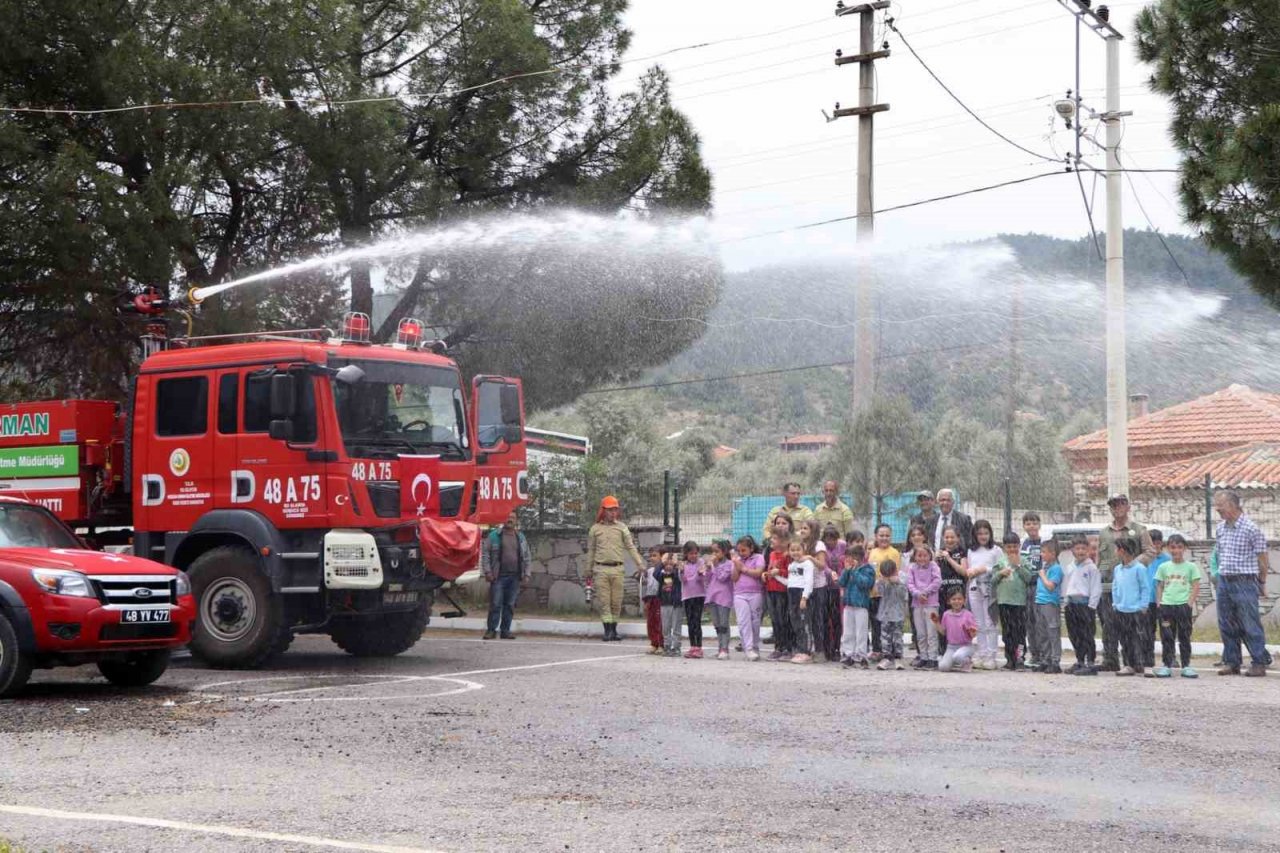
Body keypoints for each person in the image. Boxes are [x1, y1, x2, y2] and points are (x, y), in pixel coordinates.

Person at [1095, 494, 1157, 671]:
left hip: (1131, 587)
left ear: (1128, 507)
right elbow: (1101, 556)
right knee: (1108, 625)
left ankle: (1135, 660)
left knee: (1132, 627)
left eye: (1120, 504)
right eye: (1113, 505)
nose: (1117, 508)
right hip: (1108, 585)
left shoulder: (1138, 530)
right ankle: (1110, 659)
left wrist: (1132, 564)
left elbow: (1150, 552)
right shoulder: (1104, 532)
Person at [1212, 490, 1270, 677]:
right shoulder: (1220, 528)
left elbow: (1263, 558)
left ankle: (1259, 662)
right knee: (1226, 623)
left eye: (1221, 505)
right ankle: (1232, 661)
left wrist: (1261, 581)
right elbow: (1220, 553)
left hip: (1244, 581)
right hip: (1225, 581)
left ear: (1233, 505)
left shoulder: (1251, 528)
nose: (1217, 509)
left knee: (1249, 623)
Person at [584, 496, 647, 642]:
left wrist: (640, 564)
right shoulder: (595, 529)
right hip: (600, 569)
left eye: (615, 510)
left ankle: (614, 630)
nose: (613, 513)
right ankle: (607, 631)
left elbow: (630, 547)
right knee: (604, 601)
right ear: (603, 511)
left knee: (616, 602)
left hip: (617, 569)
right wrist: (588, 569)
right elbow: (591, 550)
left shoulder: (622, 528)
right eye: (610, 510)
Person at [1154, 533, 1201, 678]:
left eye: (1179, 547)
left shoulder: (1191, 567)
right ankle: (1167, 665)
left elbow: (1195, 585)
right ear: (1168, 548)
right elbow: (1160, 586)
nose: (1176, 551)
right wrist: (1159, 603)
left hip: (1183, 606)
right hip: (1167, 606)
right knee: (1167, 636)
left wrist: (1189, 603)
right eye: (1173, 547)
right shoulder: (1163, 567)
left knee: (1184, 636)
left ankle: (1186, 665)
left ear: (1185, 549)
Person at [483, 512, 532, 640]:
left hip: (515, 577)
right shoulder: (494, 536)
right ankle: (491, 630)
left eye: (512, 518)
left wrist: (526, 575)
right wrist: (487, 572)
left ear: (516, 521)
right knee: (495, 604)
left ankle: (505, 631)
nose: (509, 519)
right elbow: (485, 555)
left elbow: (527, 557)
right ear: (502, 519)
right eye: (507, 517)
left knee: (510, 605)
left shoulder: (520, 537)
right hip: (498, 577)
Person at [1111, 537, 1153, 676]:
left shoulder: (1139, 568)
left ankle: (1147, 664)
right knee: (1125, 639)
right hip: (1122, 609)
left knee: (1142, 638)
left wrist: (1143, 605)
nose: (1115, 552)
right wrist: (1116, 603)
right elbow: (1115, 587)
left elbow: (1145, 588)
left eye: (1117, 549)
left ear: (1122, 551)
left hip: (1136, 610)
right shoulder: (1117, 569)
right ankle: (1129, 664)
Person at [993, 531, 1033, 671]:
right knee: (1007, 633)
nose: (1012, 550)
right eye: (1009, 547)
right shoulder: (1000, 562)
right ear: (1004, 547)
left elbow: (1029, 578)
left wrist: (1018, 566)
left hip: (1019, 603)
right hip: (1004, 602)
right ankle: (1009, 659)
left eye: (1015, 546)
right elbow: (992, 580)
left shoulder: (1024, 560)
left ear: (1019, 546)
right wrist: (1000, 574)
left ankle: (1020, 658)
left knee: (1020, 633)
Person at [1062, 534, 1102, 675]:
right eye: (1077, 548)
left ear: (1088, 549)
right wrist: (1065, 602)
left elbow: (1096, 588)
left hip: (1085, 605)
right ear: (1072, 550)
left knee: (1087, 635)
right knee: (1075, 634)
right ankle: (1079, 661)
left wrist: (1092, 606)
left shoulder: (1091, 568)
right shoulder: (1070, 567)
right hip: (1071, 604)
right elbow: (1067, 585)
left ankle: (1090, 662)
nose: (1080, 551)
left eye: (1083, 548)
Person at [966, 520, 1002, 670]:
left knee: (990, 623)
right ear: (975, 534)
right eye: (980, 533)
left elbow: (1001, 569)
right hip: (974, 589)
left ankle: (991, 655)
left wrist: (984, 569)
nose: (983, 536)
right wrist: (972, 572)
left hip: (990, 589)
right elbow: (968, 568)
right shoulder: (971, 550)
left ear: (990, 534)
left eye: (986, 533)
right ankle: (982, 653)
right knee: (979, 623)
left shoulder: (995, 550)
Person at [800, 519, 833, 662]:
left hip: (818, 586)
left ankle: (820, 650)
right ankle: (808, 649)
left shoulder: (819, 545)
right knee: (806, 619)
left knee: (818, 619)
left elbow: (821, 565)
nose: (802, 531)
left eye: (805, 528)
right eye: (801, 528)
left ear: (813, 531)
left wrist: (809, 558)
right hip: (804, 586)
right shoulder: (800, 544)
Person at [867, 524, 902, 660]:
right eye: (881, 535)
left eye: (887, 535)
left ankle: (891, 649)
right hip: (873, 593)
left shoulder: (894, 552)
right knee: (875, 622)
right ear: (876, 536)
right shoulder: (872, 552)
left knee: (888, 623)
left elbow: (895, 573)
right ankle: (877, 649)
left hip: (887, 594)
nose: (884, 538)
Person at [906, 544, 942, 669]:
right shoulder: (911, 568)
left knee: (931, 632)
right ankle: (923, 656)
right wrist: (917, 594)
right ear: (915, 557)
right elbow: (909, 583)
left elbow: (937, 581)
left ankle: (933, 658)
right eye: (919, 555)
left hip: (931, 604)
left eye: (925, 555)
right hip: (917, 604)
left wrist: (925, 592)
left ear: (930, 555)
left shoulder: (934, 566)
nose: (922, 558)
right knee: (921, 633)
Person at [838, 545, 875, 668]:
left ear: (859, 557)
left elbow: (865, 584)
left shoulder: (867, 569)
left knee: (861, 631)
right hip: (849, 604)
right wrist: (847, 571)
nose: (849, 559)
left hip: (861, 605)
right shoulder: (848, 570)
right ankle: (848, 654)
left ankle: (861, 655)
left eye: (852, 557)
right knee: (848, 631)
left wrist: (854, 571)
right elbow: (841, 583)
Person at [731, 536, 767, 662]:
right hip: (739, 594)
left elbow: (758, 573)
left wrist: (743, 568)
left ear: (751, 548)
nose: (741, 553)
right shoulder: (737, 560)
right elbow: (734, 578)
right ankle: (748, 648)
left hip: (755, 593)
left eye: (744, 550)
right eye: (739, 550)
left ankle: (755, 646)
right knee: (743, 621)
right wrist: (736, 565)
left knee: (755, 621)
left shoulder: (758, 558)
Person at [936, 527, 969, 656]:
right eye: (947, 537)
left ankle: (960, 651)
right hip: (943, 594)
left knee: (958, 622)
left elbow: (964, 572)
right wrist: (935, 559)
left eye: (952, 537)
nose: (949, 540)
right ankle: (943, 651)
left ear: (958, 538)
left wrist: (949, 559)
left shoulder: (961, 552)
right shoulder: (939, 553)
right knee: (944, 621)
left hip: (957, 593)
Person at [1142, 529, 1170, 674]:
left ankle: (1168, 659)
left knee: (1166, 631)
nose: (1155, 547)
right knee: (1147, 632)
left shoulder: (1167, 560)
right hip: (1147, 602)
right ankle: (1148, 660)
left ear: (1161, 544)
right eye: (1152, 544)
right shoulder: (1144, 560)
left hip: (1164, 602)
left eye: (1157, 544)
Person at [1034, 540, 1064, 674]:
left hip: (1050, 603)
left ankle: (1055, 660)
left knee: (1053, 631)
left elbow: (1051, 586)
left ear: (1053, 553)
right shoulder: (1045, 567)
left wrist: (1042, 575)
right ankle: (1045, 660)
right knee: (1042, 633)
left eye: (1044, 552)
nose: (1042, 554)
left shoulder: (1056, 568)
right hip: (1040, 601)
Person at [785, 538, 817, 664]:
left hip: (802, 595)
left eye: (798, 549)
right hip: (792, 594)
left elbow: (809, 582)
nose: (795, 552)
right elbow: (790, 582)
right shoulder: (791, 565)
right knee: (796, 624)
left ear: (803, 550)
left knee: (805, 624)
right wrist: (775, 576)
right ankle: (800, 649)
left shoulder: (807, 564)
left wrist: (804, 597)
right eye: (792, 550)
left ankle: (807, 652)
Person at [1020, 512, 1045, 668]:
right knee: (1029, 621)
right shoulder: (1023, 543)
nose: (1032, 526)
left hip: (1040, 585)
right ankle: (1034, 654)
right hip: (1026, 585)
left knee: (1040, 621)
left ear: (1039, 525)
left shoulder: (1044, 542)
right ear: (1024, 526)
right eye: (1028, 523)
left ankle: (1044, 653)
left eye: (1034, 523)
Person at [932, 589, 979, 672]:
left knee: (958, 657)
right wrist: (936, 622)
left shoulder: (968, 615)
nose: (957, 601)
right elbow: (943, 632)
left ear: (964, 601)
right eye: (953, 599)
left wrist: (972, 631)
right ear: (949, 601)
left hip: (966, 646)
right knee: (943, 668)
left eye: (959, 599)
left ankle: (967, 662)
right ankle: (950, 661)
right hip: (951, 647)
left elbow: (973, 635)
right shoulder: (946, 614)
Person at [873, 560, 909, 671]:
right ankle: (887, 657)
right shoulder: (882, 580)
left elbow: (904, 595)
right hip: (885, 613)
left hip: (898, 613)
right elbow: (879, 592)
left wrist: (898, 582)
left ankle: (898, 657)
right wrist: (881, 582)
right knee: (885, 636)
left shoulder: (902, 577)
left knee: (897, 636)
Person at [765, 531, 794, 661]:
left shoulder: (788, 555)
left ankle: (788, 648)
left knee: (784, 620)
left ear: (783, 542)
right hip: (771, 590)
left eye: (774, 538)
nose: (771, 541)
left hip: (782, 591)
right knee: (775, 620)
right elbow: (769, 569)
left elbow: (792, 572)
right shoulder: (771, 554)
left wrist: (780, 571)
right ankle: (778, 647)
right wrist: (765, 574)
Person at [705, 539, 735, 660]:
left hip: (723, 597)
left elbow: (722, 578)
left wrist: (716, 566)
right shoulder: (713, 564)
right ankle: (720, 647)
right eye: (713, 552)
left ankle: (725, 649)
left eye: (717, 551)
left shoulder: (729, 564)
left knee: (723, 624)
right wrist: (708, 569)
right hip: (712, 596)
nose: (714, 554)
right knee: (717, 624)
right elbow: (707, 579)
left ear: (724, 551)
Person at [680, 541, 708, 659]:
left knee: (697, 621)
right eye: (691, 553)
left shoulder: (701, 562)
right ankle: (692, 646)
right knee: (690, 622)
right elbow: (684, 580)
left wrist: (700, 573)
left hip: (699, 595)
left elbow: (702, 579)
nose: (694, 556)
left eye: (696, 553)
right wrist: (681, 571)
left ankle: (699, 647)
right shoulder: (683, 564)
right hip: (687, 596)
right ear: (686, 554)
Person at [822, 525, 846, 660]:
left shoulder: (843, 545)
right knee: (826, 619)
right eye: (828, 539)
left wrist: (841, 577)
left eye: (833, 539)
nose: (831, 542)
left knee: (837, 619)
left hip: (838, 588)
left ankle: (836, 647)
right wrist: (830, 572)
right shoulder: (822, 548)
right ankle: (827, 647)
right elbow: (823, 564)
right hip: (826, 587)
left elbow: (846, 560)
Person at [654, 550, 683, 657]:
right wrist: (662, 562)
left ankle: (676, 647)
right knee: (666, 627)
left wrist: (675, 564)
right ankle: (667, 646)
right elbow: (655, 573)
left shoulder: (677, 576)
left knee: (676, 627)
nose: (669, 566)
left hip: (676, 605)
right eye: (667, 564)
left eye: (671, 564)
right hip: (664, 604)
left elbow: (678, 573)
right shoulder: (662, 577)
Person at [928, 488, 973, 553]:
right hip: (935, 560)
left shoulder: (964, 519)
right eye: (942, 500)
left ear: (953, 502)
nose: (945, 503)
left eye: (948, 500)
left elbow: (970, 541)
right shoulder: (930, 521)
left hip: (957, 560)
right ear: (937, 502)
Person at [640, 546, 664, 655]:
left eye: (655, 555)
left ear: (662, 557)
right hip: (651, 599)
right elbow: (648, 586)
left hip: (660, 599)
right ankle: (653, 643)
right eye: (651, 556)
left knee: (660, 622)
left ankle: (661, 644)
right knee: (651, 622)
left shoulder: (665, 570)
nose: (652, 558)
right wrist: (646, 601)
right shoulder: (649, 571)